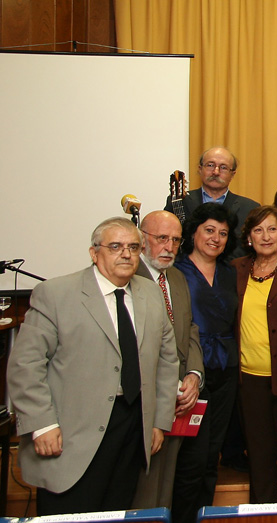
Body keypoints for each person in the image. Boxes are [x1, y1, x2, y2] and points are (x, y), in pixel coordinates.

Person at [7, 217, 179, 515]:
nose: (126, 254)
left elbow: (166, 361)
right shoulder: (57, 293)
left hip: (132, 428)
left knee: (117, 512)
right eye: (115, 246)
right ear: (93, 252)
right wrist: (41, 424)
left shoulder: (151, 294)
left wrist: (158, 421)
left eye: (133, 247)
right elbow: (26, 364)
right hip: (72, 433)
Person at [131, 211, 204, 513]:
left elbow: (189, 329)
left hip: (178, 401)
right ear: (141, 238)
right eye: (162, 238)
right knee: (142, 489)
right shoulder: (129, 276)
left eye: (175, 240)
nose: (169, 247)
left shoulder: (175, 276)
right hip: (143, 400)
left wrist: (194, 375)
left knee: (166, 486)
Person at [233, 206, 277, 502]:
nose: (266, 236)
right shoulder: (236, 270)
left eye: (272, 229)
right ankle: (261, 513)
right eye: (258, 230)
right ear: (249, 236)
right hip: (248, 379)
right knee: (259, 456)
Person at [174, 203, 239, 509]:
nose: (216, 238)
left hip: (226, 368)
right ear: (194, 233)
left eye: (223, 233)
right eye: (209, 230)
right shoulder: (175, 271)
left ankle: (204, 513)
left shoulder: (231, 272)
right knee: (190, 455)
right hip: (189, 369)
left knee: (213, 452)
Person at [164, 146, 260, 261]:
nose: (216, 172)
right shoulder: (179, 202)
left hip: (232, 274)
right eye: (210, 165)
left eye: (223, 167)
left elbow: (250, 249)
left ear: (233, 174)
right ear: (200, 169)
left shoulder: (250, 208)